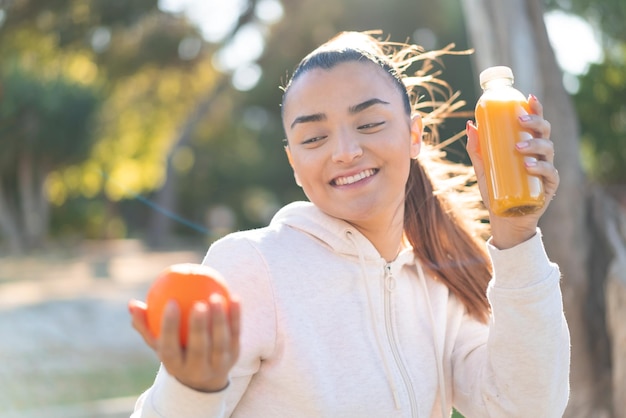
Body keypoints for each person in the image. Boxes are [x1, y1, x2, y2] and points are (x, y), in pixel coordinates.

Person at [129, 30, 570, 417]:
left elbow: (525, 408)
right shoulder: (251, 267)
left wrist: (517, 233)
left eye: (370, 123)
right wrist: (193, 391)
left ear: (414, 135)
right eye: (314, 137)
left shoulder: (439, 281)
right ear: (294, 163)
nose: (344, 151)